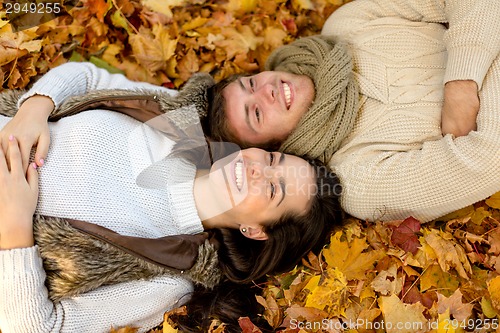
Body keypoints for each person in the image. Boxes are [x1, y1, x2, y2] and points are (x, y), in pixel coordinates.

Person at [0, 62, 342, 333]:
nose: (257, 170)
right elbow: (88, 75)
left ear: (255, 229)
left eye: (272, 189)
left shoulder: (168, 277)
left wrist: (14, 224)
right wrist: (33, 110)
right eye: (271, 160)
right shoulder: (181, 126)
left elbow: (39, 326)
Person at [207, 0, 500, 223]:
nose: (265, 91)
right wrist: (483, 39)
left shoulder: (346, 26)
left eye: (251, 83)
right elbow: (490, 160)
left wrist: (462, 85)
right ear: (276, 146)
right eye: (256, 113)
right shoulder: (359, 181)